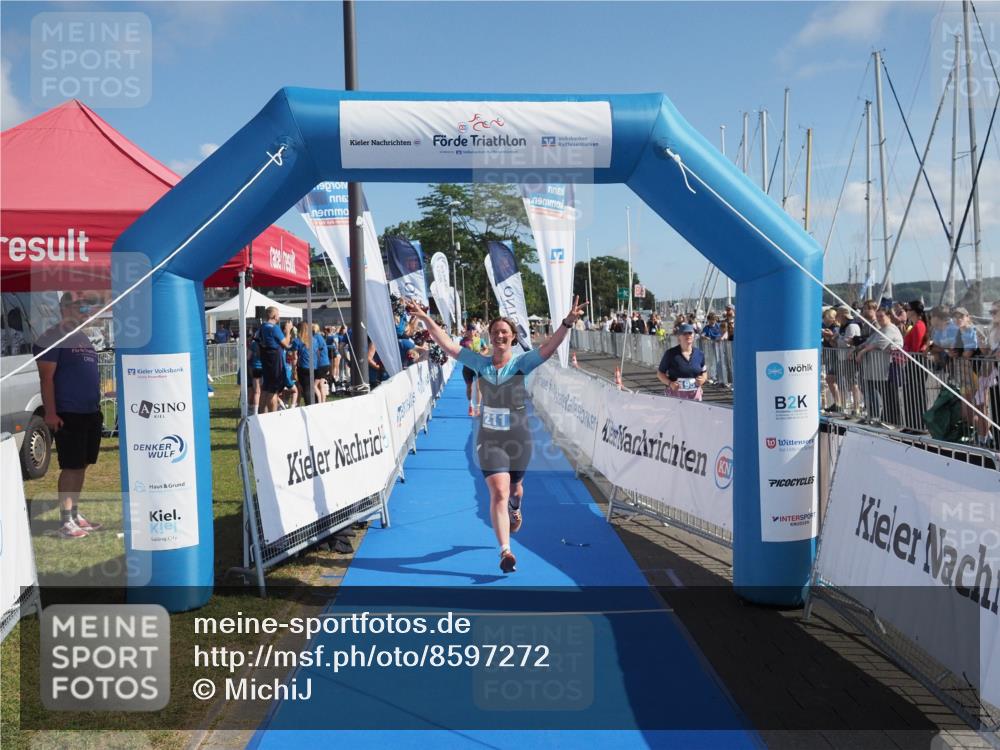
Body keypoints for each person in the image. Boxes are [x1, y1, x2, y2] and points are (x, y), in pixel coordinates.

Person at [404, 295, 589, 574]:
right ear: (490, 337)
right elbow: (447, 344)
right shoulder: (480, 363)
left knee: (514, 490)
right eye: (495, 332)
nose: (499, 335)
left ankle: (517, 508)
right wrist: (426, 318)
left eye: (505, 332)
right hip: (489, 439)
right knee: (499, 492)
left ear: (513, 338)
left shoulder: (522, 363)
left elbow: (549, 348)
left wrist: (567, 322)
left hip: (518, 440)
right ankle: (505, 551)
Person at [35, 293, 104, 538]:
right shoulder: (52, 337)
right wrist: (51, 412)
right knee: (71, 466)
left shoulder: (83, 337)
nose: (88, 310)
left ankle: (74, 513)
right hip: (67, 413)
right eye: (82, 305)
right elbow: (46, 378)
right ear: (65, 307)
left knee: (82, 465)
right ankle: (66, 521)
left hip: (90, 412)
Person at [656, 323, 707, 400]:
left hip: (695, 395)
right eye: (684, 333)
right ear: (679, 337)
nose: (688, 335)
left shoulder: (699, 354)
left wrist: (703, 379)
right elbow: (660, 374)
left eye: (690, 333)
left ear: (693, 336)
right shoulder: (670, 353)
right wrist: (670, 383)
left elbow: (704, 372)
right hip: (675, 395)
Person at [257, 307, 293, 414]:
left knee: (265, 388)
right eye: (278, 314)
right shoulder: (274, 328)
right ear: (274, 316)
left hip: (266, 359)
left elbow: (256, 340)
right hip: (274, 360)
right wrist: (288, 331)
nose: (279, 316)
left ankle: (261, 414)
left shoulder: (262, 327)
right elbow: (286, 344)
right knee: (273, 391)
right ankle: (272, 415)